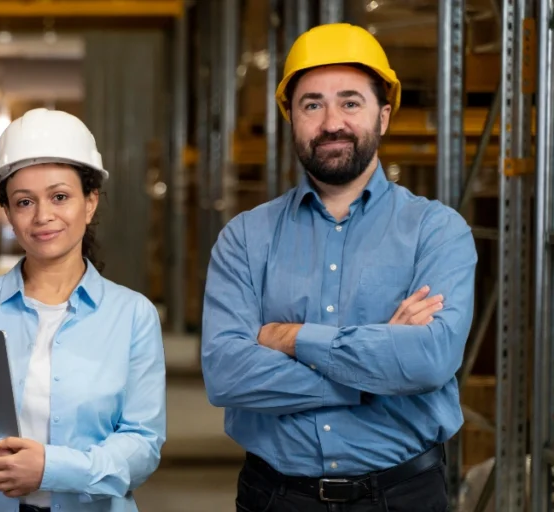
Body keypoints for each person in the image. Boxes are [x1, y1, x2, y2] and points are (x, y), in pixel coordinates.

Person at [201, 23, 477, 511]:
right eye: (312, 105)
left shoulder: (436, 231)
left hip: (403, 496)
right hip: (277, 497)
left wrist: (290, 338)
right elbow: (227, 373)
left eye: (350, 103)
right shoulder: (245, 237)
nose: (332, 122)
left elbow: (430, 359)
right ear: (291, 118)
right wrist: (376, 372)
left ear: (383, 116)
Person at [0, 108, 167, 512]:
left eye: (60, 197)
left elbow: (142, 446)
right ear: (7, 212)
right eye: (24, 202)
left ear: (90, 202)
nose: (43, 216)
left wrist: (50, 469)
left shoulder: (133, 316)